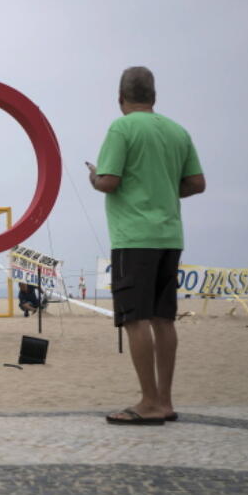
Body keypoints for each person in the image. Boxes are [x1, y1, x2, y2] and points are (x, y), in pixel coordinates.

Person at [88, 66, 205, 425]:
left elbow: (110, 181)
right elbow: (196, 183)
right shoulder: (176, 131)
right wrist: (167, 190)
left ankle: (149, 401)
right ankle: (165, 401)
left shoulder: (121, 127)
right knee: (163, 319)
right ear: (154, 97)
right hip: (170, 236)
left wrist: (94, 176)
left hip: (133, 238)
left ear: (120, 98)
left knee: (135, 319)